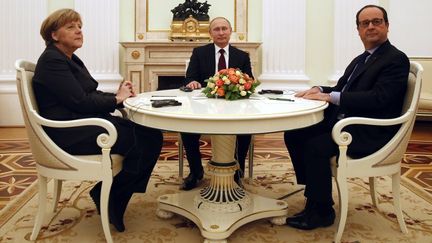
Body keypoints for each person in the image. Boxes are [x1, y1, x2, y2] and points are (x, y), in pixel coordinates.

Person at [32, 9, 163, 232]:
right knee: (145, 139)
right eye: (71, 27)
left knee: (149, 132)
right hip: (68, 132)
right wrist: (116, 99)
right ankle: (114, 197)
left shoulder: (68, 58)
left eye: (79, 26)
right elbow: (81, 101)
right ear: (54, 35)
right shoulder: (53, 61)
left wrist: (119, 97)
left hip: (83, 122)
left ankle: (111, 193)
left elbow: (89, 93)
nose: (79, 31)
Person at [283, 5, 409, 230]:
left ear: (387, 26)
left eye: (376, 21)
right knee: (295, 132)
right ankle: (314, 190)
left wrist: (330, 97)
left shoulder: (395, 59)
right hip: (348, 123)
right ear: (358, 30)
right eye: (365, 23)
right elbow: (342, 88)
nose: (370, 27)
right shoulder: (363, 58)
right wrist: (318, 88)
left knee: (315, 145)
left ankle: (321, 211)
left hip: (369, 131)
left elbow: (379, 98)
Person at [180, 17, 253, 190]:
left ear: (230, 31)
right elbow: (190, 77)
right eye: (217, 29)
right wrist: (192, 83)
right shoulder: (199, 52)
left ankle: (237, 171)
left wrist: (242, 83)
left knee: (246, 129)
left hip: (234, 107)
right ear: (210, 33)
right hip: (204, 107)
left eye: (224, 29)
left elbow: (249, 80)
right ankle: (196, 172)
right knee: (187, 130)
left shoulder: (242, 56)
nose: (221, 33)